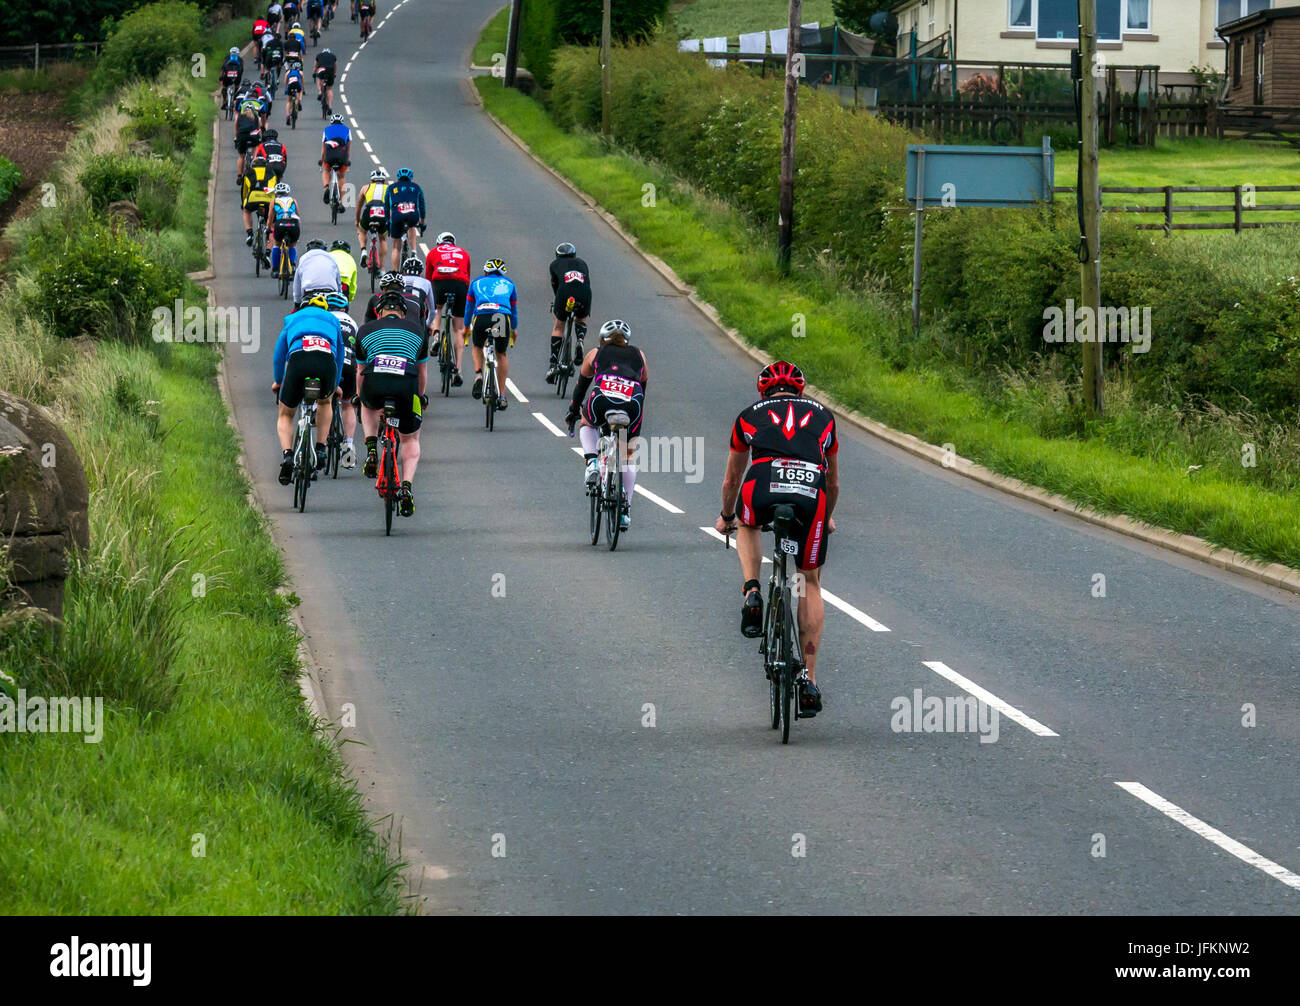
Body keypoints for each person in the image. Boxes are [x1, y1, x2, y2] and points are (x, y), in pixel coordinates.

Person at [715, 361, 838, 716]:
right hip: (809, 490)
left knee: (748, 524)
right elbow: (834, 483)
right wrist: (826, 518)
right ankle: (810, 682)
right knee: (809, 581)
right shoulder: (825, 417)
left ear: (763, 391)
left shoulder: (747, 416)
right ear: (800, 392)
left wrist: (727, 518)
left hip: (763, 482)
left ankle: (752, 590)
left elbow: (731, 480)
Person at [564, 320, 647, 533]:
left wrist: (573, 412)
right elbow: (642, 386)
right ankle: (625, 509)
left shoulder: (595, 353)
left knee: (587, 422)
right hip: (632, 401)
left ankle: (592, 462)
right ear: (627, 340)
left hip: (602, 395)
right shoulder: (640, 355)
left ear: (603, 338)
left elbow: (581, 387)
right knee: (627, 454)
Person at [354, 287, 430, 517]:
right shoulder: (417, 331)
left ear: (378, 312)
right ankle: (406, 487)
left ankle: (370, 447)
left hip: (374, 384)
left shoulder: (365, 330)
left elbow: (360, 372)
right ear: (403, 312)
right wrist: (420, 396)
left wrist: (360, 397)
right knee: (410, 438)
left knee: (367, 405)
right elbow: (422, 371)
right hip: (406, 386)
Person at [271, 292, 344, 485]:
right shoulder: (332, 319)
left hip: (299, 360)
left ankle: (287, 455)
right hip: (325, 361)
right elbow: (340, 356)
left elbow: (279, 355)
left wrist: (278, 382)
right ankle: (320, 448)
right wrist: (335, 385)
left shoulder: (292, 319)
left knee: (286, 414)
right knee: (324, 401)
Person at [463, 259, 517, 410]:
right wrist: (513, 329)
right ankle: (502, 395)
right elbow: (514, 312)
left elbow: (468, 307)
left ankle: (479, 374)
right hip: (501, 317)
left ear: (485, 272)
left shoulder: (476, 282)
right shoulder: (509, 284)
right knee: (501, 354)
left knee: (477, 346)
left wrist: (466, 326)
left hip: (481, 317)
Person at [424, 230, 468, 387]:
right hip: (460, 283)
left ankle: (436, 337)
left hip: (440, 283)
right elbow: (467, 277)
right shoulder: (463, 252)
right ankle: (458, 369)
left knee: (437, 307)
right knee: (458, 329)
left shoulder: (433, 252)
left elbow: (428, 280)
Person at [546, 242, 592, 383]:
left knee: (559, 326)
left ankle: (553, 364)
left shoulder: (554, 265)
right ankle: (580, 340)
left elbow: (556, 285)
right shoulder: (582, 263)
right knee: (581, 319)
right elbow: (587, 282)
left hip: (565, 292)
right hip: (585, 293)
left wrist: (557, 303)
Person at [325, 290, 360, 468]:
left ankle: (319, 446)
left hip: (329, 363)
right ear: (345, 308)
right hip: (349, 364)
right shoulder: (352, 322)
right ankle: (348, 445)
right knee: (347, 405)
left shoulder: (324, 318)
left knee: (323, 401)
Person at [384, 167, 425, 271]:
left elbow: (386, 206)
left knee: (396, 247)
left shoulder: (391, 187)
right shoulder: (416, 187)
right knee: (412, 226)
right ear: (411, 179)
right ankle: (414, 251)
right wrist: (422, 223)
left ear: (398, 178)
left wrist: (388, 222)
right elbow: (422, 206)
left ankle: (395, 272)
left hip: (397, 215)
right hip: (412, 214)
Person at [354, 168, 389, 269]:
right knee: (382, 238)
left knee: (362, 230)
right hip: (383, 211)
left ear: (372, 180)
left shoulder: (365, 187)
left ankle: (364, 250)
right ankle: (382, 268)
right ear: (384, 180)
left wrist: (357, 220)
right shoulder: (389, 188)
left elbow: (359, 206)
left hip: (369, 210)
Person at [293, 237, 342, 306]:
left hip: (310, 292)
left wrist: (297, 302)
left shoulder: (303, 258)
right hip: (330, 292)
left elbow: (297, 284)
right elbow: (338, 282)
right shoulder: (331, 258)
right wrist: (340, 294)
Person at [241, 155, 276, 252]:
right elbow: (274, 189)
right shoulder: (271, 173)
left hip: (253, 198)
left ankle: (249, 233)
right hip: (268, 200)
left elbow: (244, 191)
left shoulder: (249, 173)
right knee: (272, 226)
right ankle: (268, 252)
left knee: (246, 211)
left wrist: (243, 203)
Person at [399, 254, 435, 336]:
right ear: (420, 272)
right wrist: (428, 324)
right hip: (416, 310)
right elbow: (432, 310)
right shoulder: (426, 282)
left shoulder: (399, 278)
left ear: (404, 271)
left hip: (399, 308)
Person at [320, 113, 350, 205]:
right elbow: (348, 149)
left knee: (326, 170)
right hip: (342, 155)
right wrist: (347, 161)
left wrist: (321, 160)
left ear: (331, 122)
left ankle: (327, 187)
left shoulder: (326, 130)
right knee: (341, 176)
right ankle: (341, 203)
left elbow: (324, 149)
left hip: (330, 155)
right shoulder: (347, 130)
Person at [314, 47, 338, 115]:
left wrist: (314, 73)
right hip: (330, 71)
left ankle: (320, 92)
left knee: (319, 79)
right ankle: (330, 107)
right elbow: (335, 66)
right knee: (329, 89)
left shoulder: (319, 55)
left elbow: (315, 65)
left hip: (322, 69)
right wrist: (334, 74)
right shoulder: (333, 56)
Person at [283, 55, 305, 123]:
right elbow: (302, 82)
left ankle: (287, 116)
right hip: (297, 84)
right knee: (300, 91)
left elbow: (285, 82)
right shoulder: (300, 72)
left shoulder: (288, 72)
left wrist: (285, 90)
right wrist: (303, 90)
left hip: (290, 85)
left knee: (289, 101)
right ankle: (299, 101)